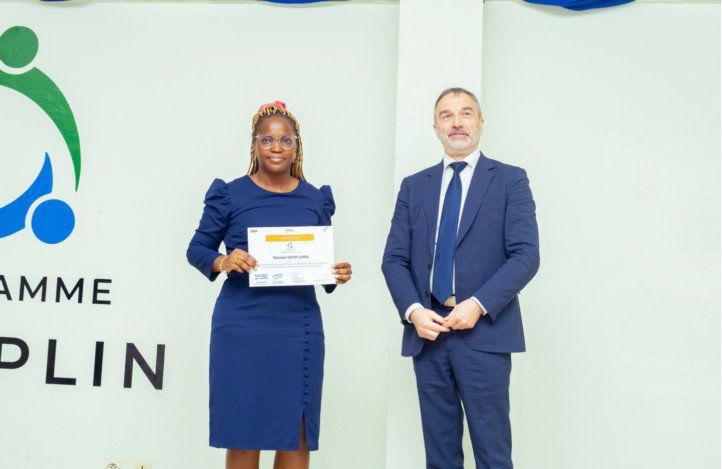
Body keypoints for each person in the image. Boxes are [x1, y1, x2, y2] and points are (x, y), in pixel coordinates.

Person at [187, 101, 352, 469]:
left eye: (285, 140)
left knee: (297, 436)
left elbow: (319, 267)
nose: (276, 147)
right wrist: (223, 261)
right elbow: (197, 248)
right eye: (267, 140)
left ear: (296, 146)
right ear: (254, 145)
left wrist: (335, 273)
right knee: (244, 435)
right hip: (242, 326)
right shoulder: (229, 194)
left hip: (299, 327)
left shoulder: (315, 198)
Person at [381, 87, 539, 468]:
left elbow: (526, 256)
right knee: (440, 458)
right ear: (435, 128)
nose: (457, 123)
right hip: (428, 336)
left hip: (484, 336)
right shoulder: (414, 186)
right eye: (447, 116)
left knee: (493, 455)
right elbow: (394, 259)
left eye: (466, 113)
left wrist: (478, 305)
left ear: (481, 122)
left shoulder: (510, 180)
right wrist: (414, 311)